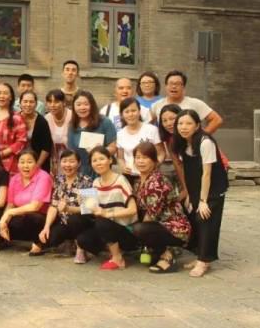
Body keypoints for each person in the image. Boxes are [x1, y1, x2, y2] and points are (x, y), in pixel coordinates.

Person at [172, 109, 228, 278]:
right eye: (180, 123)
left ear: (197, 126)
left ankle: (204, 261)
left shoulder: (205, 142)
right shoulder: (183, 144)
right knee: (195, 220)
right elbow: (188, 171)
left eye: (188, 123)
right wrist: (189, 194)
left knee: (205, 219)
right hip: (197, 188)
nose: (184, 127)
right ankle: (201, 257)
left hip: (213, 189)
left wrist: (203, 200)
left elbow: (207, 173)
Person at [131, 142, 191, 273]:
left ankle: (168, 257)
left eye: (145, 158)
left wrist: (141, 237)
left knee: (139, 229)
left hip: (174, 228)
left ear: (154, 160)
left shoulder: (157, 181)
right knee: (137, 230)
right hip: (159, 226)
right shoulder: (138, 181)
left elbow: (151, 215)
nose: (141, 161)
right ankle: (159, 251)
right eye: (138, 157)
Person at [76, 146, 138, 270]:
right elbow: (94, 211)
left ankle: (117, 258)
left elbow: (133, 210)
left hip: (126, 230)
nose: (98, 163)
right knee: (83, 239)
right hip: (108, 227)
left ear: (110, 160)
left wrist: (108, 214)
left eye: (102, 159)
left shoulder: (120, 180)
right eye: (94, 160)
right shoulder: (96, 182)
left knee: (102, 222)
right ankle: (113, 249)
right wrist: (83, 202)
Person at [32, 149, 93, 259]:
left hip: (82, 222)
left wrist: (68, 208)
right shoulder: (58, 179)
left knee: (74, 220)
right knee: (49, 239)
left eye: (71, 161)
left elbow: (88, 209)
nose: (67, 165)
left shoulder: (87, 180)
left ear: (79, 163)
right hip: (64, 222)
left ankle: (80, 248)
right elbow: (53, 206)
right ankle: (69, 242)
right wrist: (46, 227)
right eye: (64, 161)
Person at [0, 149, 53, 252]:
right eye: (22, 162)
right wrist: (3, 222)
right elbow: (10, 204)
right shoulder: (14, 178)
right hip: (21, 218)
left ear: (36, 164)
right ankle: (5, 238)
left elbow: (35, 206)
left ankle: (39, 242)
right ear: (17, 164)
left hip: (41, 218)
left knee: (33, 217)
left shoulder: (43, 177)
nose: (25, 166)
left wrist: (9, 213)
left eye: (29, 162)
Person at [150, 70, 223, 134]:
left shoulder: (195, 103)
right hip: (166, 145)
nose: (174, 86)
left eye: (178, 84)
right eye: (171, 83)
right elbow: (148, 125)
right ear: (166, 86)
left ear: (183, 87)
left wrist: (202, 137)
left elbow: (216, 120)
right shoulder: (156, 105)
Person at [67, 91, 117, 177]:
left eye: (86, 104)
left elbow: (113, 148)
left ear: (92, 105)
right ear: (74, 107)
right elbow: (71, 152)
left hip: (101, 171)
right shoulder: (72, 125)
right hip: (80, 173)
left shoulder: (105, 122)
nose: (82, 107)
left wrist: (98, 151)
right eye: (78, 105)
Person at [0, 82, 28, 173]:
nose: (1, 96)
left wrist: (2, 154)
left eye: (5, 93)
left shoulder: (17, 118)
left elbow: (21, 141)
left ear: (11, 97)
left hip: (10, 166)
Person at [116, 97, 163, 181]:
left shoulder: (152, 130)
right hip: (130, 176)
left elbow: (161, 153)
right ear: (122, 115)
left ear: (139, 111)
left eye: (133, 111)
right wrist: (123, 167)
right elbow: (120, 157)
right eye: (127, 112)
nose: (131, 114)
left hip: (150, 176)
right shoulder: (120, 134)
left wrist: (154, 166)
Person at [157, 104, 189, 200]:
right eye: (165, 121)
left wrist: (189, 190)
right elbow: (177, 164)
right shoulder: (169, 139)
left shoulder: (191, 134)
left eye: (172, 119)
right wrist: (185, 189)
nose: (169, 123)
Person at [19, 90, 52, 174]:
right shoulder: (15, 119)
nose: (28, 105)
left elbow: (46, 147)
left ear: (36, 104)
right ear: (20, 103)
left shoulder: (42, 122)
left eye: (31, 102)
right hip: (18, 164)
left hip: (38, 163)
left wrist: (36, 166)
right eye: (25, 101)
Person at [44, 89, 73, 174]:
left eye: (56, 102)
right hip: (56, 163)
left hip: (73, 162)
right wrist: (53, 163)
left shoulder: (73, 117)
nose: (52, 105)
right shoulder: (47, 119)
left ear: (64, 102)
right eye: (49, 102)